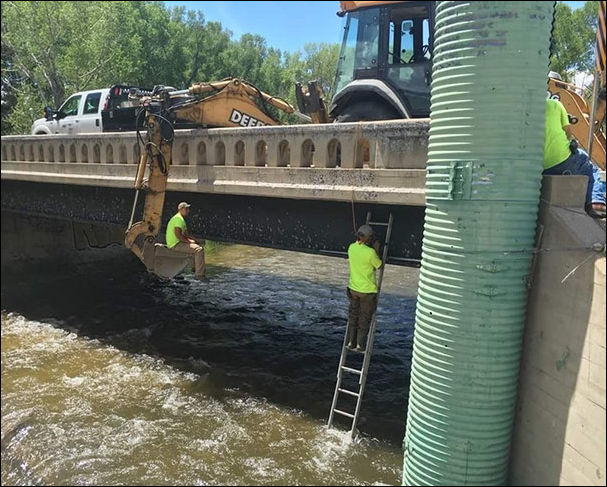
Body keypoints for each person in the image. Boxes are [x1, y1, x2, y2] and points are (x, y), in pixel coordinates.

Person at [543, 97, 606, 218]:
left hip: (540, 164)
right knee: (588, 165)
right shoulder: (555, 104)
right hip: (562, 159)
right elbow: (568, 132)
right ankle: (596, 201)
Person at [346, 225, 382, 352]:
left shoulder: (351, 247)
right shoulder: (370, 253)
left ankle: (351, 342)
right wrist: (376, 250)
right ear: (368, 238)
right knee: (364, 319)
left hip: (353, 289)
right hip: (367, 291)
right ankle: (360, 345)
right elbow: (379, 265)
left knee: (353, 316)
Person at [165, 201, 205, 279]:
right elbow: (178, 235)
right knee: (199, 249)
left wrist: (196, 240)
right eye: (186, 209)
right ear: (180, 209)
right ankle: (200, 275)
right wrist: (189, 241)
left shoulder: (181, 219)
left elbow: (187, 234)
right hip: (175, 244)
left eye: (188, 209)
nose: (188, 211)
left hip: (178, 242)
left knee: (197, 245)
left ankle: (194, 269)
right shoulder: (178, 219)